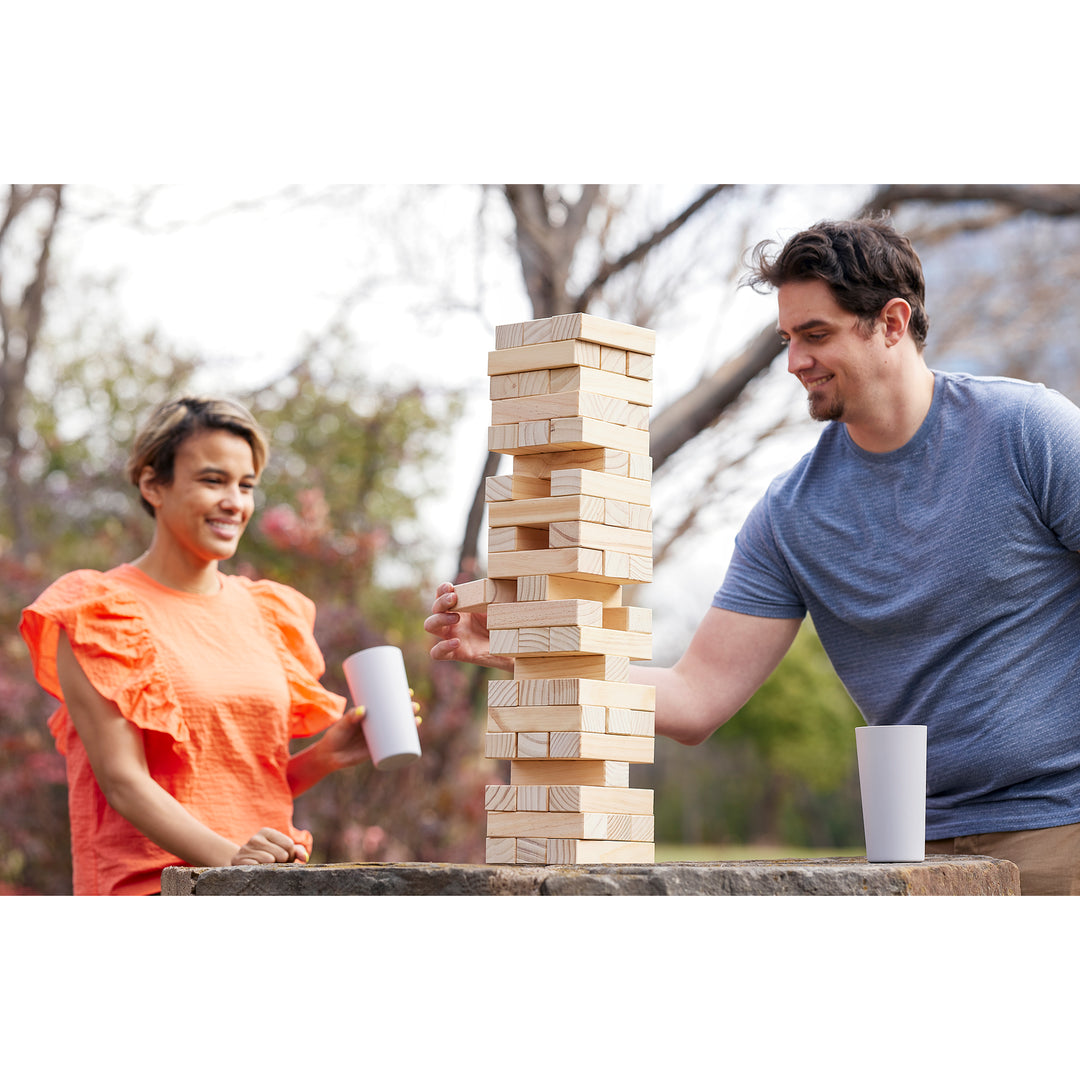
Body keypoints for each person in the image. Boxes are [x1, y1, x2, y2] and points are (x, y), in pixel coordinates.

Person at [426, 216, 1080, 896]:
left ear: (891, 322)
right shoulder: (792, 514)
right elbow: (693, 698)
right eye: (788, 338)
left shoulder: (1027, 434)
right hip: (919, 851)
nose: (795, 361)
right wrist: (535, 646)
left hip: (1063, 828)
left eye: (816, 334)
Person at [20, 396, 417, 895]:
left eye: (246, 485)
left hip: (263, 888)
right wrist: (233, 865)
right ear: (152, 484)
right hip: (151, 892)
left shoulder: (266, 612)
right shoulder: (99, 611)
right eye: (213, 481)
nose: (235, 501)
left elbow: (230, 784)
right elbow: (124, 783)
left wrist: (322, 758)